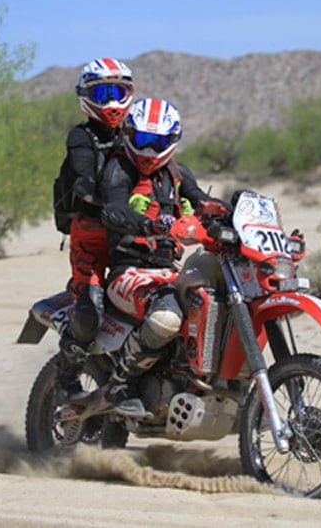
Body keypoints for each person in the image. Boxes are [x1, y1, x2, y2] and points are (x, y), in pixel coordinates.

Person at [100, 97, 227, 417]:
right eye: (142, 138)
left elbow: (201, 200)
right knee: (166, 318)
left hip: (168, 271)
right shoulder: (119, 168)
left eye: (156, 142)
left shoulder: (177, 173)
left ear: (171, 141)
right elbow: (113, 209)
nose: (148, 150)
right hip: (128, 271)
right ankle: (120, 383)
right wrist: (149, 224)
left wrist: (228, 216)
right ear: (129, 134)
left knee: (213, 300)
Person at [55, 58, 135, 398]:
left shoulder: (136, 133)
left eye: (119, 92)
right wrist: (103, 197)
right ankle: (65, 375)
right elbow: (83, 174)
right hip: (90, 234)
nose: (112, 102)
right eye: (103, 93)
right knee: (90, 310)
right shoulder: (80, 136)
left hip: (130, 235)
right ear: (86, 96)